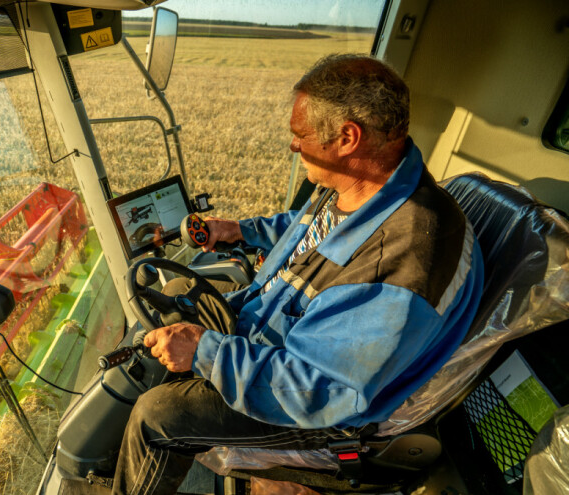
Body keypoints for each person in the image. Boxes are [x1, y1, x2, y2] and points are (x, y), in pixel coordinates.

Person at [111, 54, 484, 495]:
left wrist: (208, 353)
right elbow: (310, 233)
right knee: (177, 293)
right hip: (275, 332)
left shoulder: (406, 253)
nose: (293, 146)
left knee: (159, 416)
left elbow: (323, 390)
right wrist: (241, 232)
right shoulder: (359, 186)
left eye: (300, 136)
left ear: (347, 138)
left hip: (320, 412)